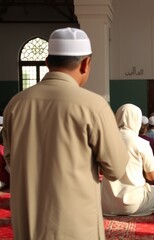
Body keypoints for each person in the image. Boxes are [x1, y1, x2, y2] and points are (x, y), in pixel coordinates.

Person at [2, 27, 129, 239]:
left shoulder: (16, 104)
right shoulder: (93, 106)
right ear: (86, 63)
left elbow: (11, 161)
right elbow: (115, 169)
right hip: (75, 225)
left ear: (47, 63)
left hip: (28, 222)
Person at [101, 104, 154, 216]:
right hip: (132, 204)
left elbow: (100, 170)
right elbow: (152, 176)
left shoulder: (105, 140)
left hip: (105, 203)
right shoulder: (141, 143)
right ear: (137, 120)